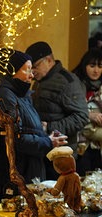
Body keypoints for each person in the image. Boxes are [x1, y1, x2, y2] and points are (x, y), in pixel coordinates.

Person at [0, 48, 67, 203]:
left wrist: (45, 133)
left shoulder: (21, 95)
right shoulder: (4, 96)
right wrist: (48, 142)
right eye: (27, 70)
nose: (32, 75)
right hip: (15, 176)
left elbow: (26, 128)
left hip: (28, 171)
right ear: (11, 72)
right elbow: (16, 139)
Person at [25, 41, 89, 180]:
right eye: (30, 68)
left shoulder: (68, 82)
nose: (32, 72)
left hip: (62, 155)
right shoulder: (38, 82)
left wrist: (50, 127)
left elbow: (82, 117)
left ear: (49, 60)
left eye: (35, 66)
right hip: (43, 150)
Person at [72, 48, 102, 175]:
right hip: (80, 146)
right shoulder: (74, 85)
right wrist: (89, 115)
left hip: (99, 146)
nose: (96, 70)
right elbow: (70, 112)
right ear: (84, 66)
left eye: (100, 66)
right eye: (92, 66)